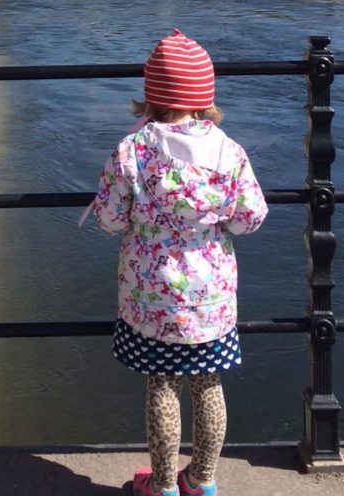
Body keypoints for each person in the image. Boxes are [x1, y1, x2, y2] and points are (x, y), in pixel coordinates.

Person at [88, 29, 268, 496]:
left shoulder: (134, 149)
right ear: (205, 96)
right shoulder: (229, 151)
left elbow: (108, 219)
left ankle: (163, 486)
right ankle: (202, 481)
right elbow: (250, 219)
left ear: (152, 94)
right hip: (209, 297)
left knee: (162, 387)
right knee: (208, 384)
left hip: (151, 296)